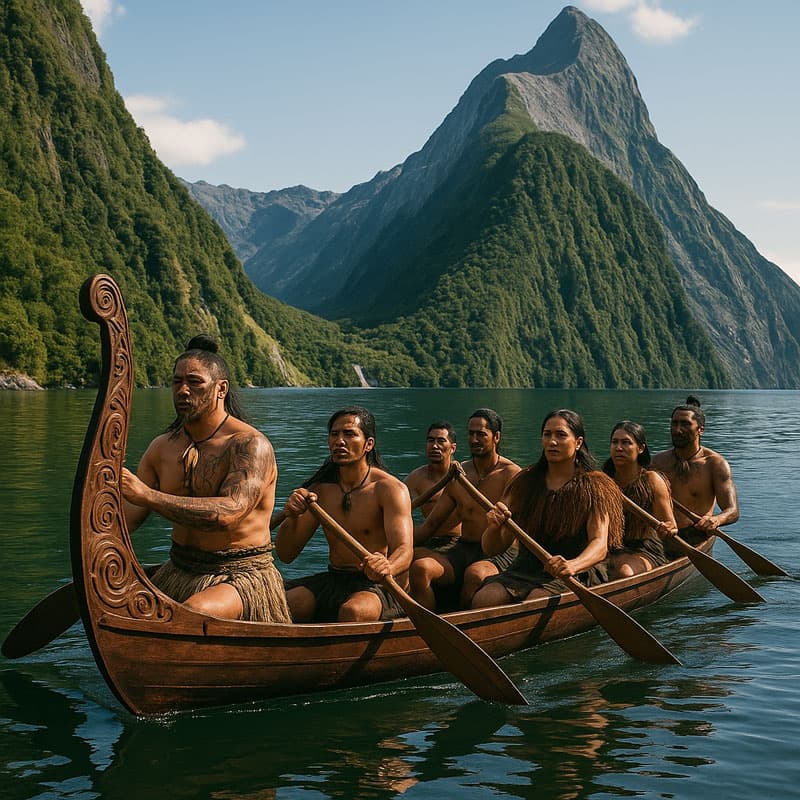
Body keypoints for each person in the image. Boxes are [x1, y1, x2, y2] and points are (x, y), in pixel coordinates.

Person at [121, 335, 291, 623]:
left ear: (220, 388)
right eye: (176, 382)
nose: (183, 391)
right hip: (178, 569)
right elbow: (129, 518)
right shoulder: (162, 447)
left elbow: (229, 512)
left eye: (194, 382)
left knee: (192, 614)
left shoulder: (249, 445)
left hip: (239, 576)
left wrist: (147, 495)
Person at [471, 409, 624, 608]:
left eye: (561, 435)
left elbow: (600, 544)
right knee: (484, 599)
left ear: (578, 442)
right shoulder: (524, 482)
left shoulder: (595, 486)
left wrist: (572, 565)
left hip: (576, 571)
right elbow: (492, 548)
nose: (552, 442)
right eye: (547, 435)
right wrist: (493, 527)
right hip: (525, 568)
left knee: (537, 601)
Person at [275, 406, 413, 623]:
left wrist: (388, 565)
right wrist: (291, 516)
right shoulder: (319, 491)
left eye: (349, 434)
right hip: (334, 579)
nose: (340, 441)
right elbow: (285, 554)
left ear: (369, 444)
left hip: (378, 584)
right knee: (283, 604)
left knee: (354, 612)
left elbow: (405, 550)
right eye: (334, 434)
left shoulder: (389, 489)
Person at [409, 409, 520, 610]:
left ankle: (461, 627)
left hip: (501, 553)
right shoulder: (459, 474)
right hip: (463, 549)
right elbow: (431, 525)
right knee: (420, 567)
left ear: (496, 437)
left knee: (474, 574)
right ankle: (423, 628)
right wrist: (393, 548)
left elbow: (515, 529)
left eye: (481, 434)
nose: (474, 439)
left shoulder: (511, 475)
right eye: (471, 434)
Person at [651, 395, 739, 547]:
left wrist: (716, 520)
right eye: (674, 424)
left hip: (694, 535)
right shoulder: (658, 462)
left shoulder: (715, 464)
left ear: (700, 430)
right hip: (660, 533)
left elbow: (732, 510)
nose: (677, 430)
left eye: (685, 424)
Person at [602, 420, 677, 577]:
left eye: (626, 443)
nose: (619, 448)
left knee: (625, 572)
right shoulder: (603, 480)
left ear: (641, 448)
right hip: (607, 547)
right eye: (614, 442)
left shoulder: (652, 480)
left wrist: (668, 529)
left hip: (644, 548)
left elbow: (671, 525)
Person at [404, 420, 462, 539]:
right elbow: (396, 508)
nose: (434, 446)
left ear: (453, 448)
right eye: (431, 441)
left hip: (458, 540)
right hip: (429, 539)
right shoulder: (416, 478)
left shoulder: (464, 477)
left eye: (441, 441)